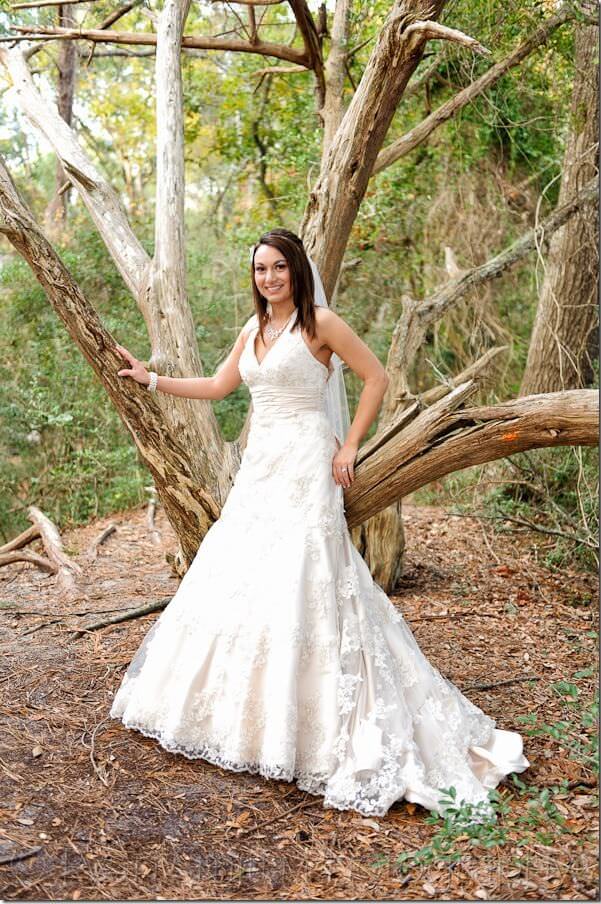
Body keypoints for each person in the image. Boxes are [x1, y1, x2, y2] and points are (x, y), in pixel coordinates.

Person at [109, 228, 529, 819]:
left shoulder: (321, 324)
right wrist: (149, 378)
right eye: (261, 270)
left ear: (297, 271)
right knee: (246, 578)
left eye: (279, 268)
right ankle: (254, 720)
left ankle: (318, 725)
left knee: (309, 576)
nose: (270, 278)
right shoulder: (255, 329)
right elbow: (219, 386)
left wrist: (350, 445)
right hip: (260, 468)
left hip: (308, 462)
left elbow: (375, 378)